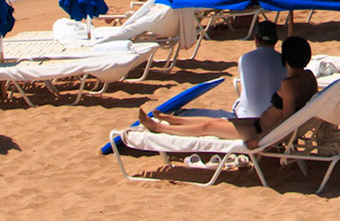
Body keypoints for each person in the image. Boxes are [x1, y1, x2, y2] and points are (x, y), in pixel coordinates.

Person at [136, 36, 317, 147]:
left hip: (262, 131)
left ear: (285, 57)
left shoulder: (288, 84)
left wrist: (261, 139)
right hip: (260, 123)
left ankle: (158, 127)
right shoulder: (309, 78)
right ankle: (172, 119)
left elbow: (288, 120)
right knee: (216, 121)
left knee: (207, 127)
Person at [234, 21, 285, 122]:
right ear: (276, 40)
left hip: (248, 118)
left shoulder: (245, 58)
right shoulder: (284, 60)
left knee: (237, 104)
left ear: (256, 39)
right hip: (275, 117)